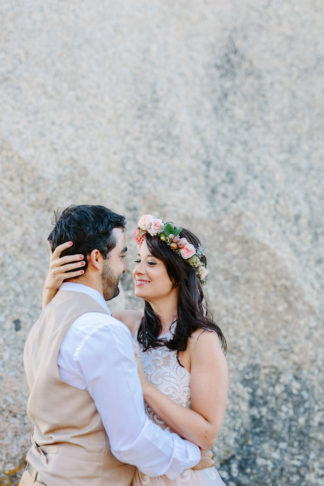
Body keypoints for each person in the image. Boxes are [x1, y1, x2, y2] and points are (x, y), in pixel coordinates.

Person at [20, 205, 214, 486]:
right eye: (123, 255)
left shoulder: (47, 320)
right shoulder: (103, 330)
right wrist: (191, 457)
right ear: (97, 258)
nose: (127, 268)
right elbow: (130, 440)